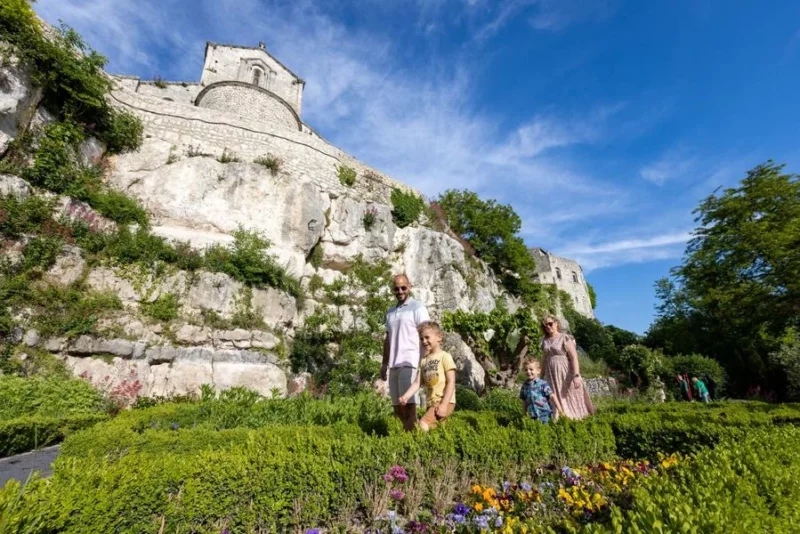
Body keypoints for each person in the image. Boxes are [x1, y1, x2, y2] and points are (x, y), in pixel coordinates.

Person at [381, 274, 430, 431]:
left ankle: (413, 440)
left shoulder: (418, 307)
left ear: (410, 286)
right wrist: (384, 364)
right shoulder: (390, 312)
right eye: (396, 288)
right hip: (393, 365)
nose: (400, 291)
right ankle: (411, 434)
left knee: (409, 405)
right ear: (393, 290)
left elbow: (426, 333)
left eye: (403, 287)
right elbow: (388, 339)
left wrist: (425, 361)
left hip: (410, 362)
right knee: (397, 408)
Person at [398, 321, 456, 431]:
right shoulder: (424, 361)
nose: (424, 341)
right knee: (438, 431)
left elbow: (451, 382)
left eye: (427, 337)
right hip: (431, 402)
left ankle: (418, 446)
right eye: (421, 339)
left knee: (423, 424)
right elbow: (417, 383)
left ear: (439, 337)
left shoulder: (445, 357)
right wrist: (406, 396)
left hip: (444, 401)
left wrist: (444, 404)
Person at [540, 315, 594, 419]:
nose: (548, 326)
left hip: (564, 370)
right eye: (545, 325)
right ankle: (560, 417)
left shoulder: (564, 337)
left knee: (569, 394)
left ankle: (576, 417)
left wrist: (576, 375)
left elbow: (574, 358)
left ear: (556, 323)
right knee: (554, 395)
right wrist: (541, 376)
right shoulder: (544, 341)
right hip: (550, 373)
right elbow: (544, 359)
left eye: (550, 323)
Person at [519, 358, 564, 423]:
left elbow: (552, 396)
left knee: (545, 430)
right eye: (526, 370)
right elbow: (524, 401)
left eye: (531, 369)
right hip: (531, 414)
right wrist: (524, 414)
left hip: (544, 414)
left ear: (538, 371)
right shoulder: (524, 386)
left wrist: (560, 410)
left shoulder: (543, 384)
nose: (528, 371)